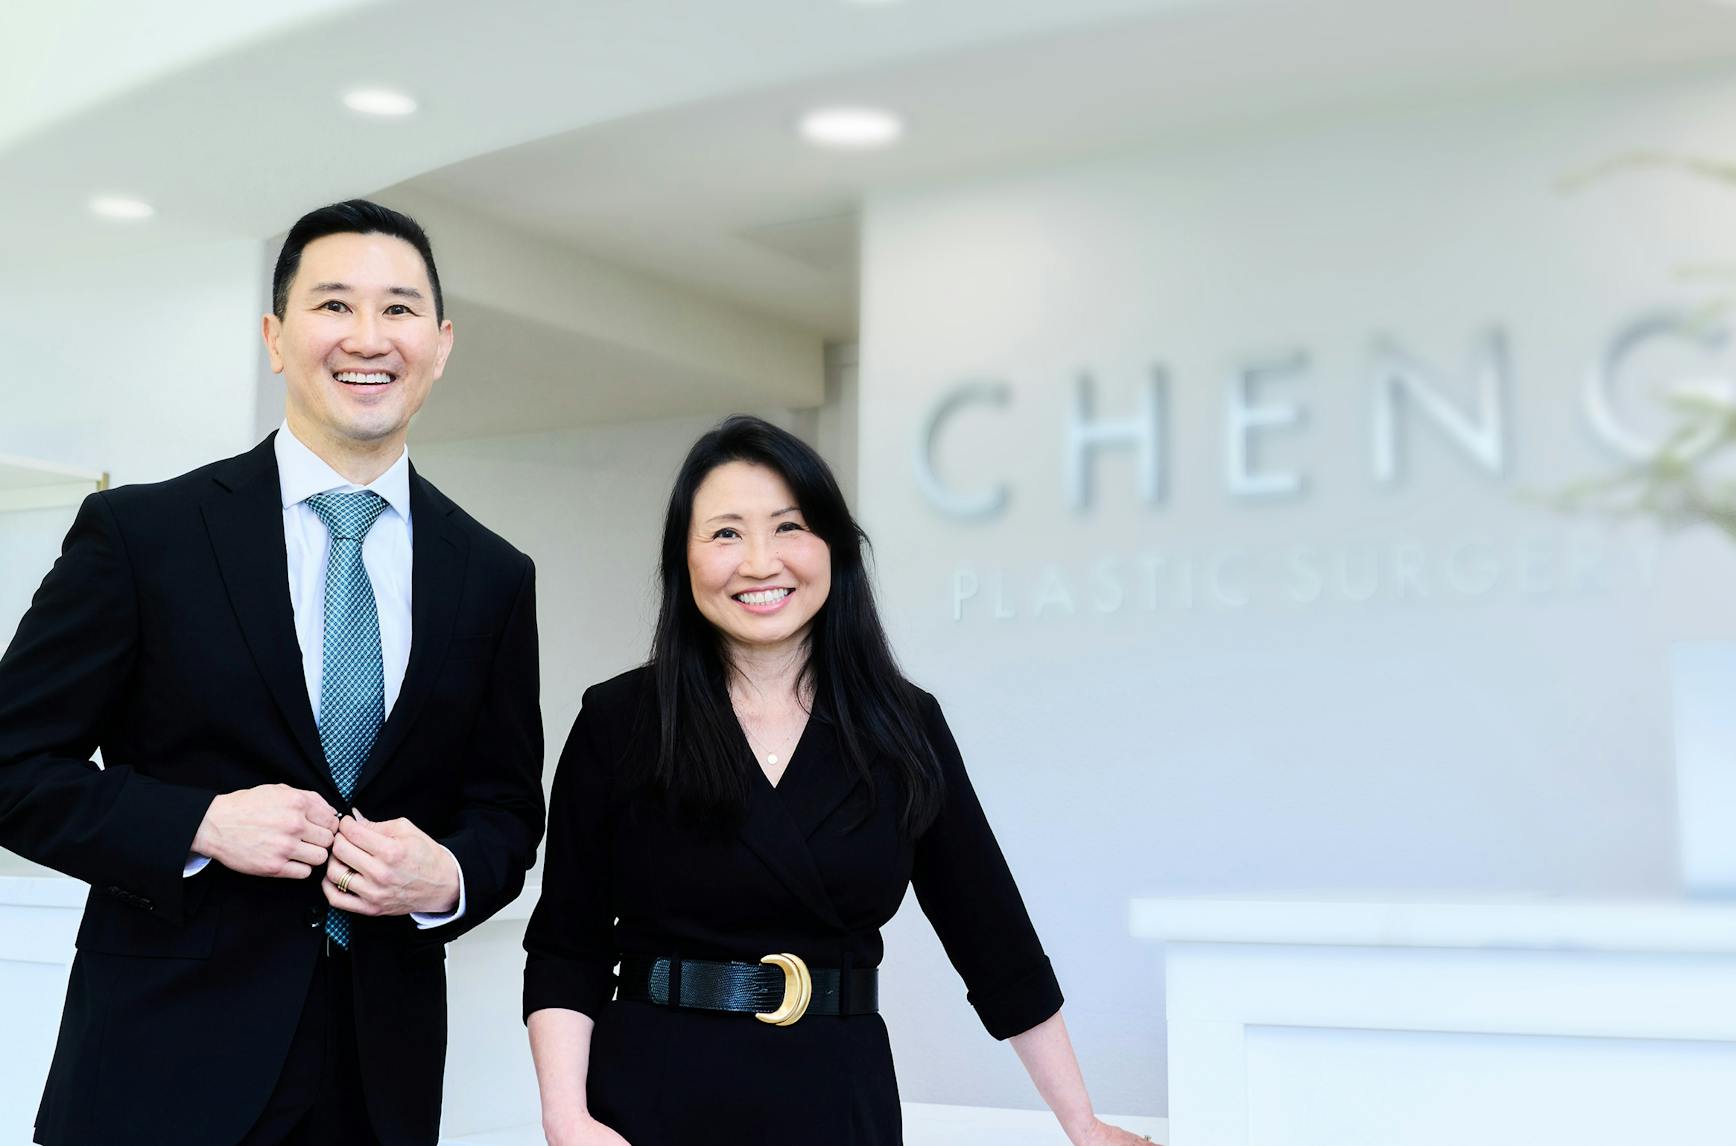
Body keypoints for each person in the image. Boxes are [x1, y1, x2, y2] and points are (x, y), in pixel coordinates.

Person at [0, 199, 546, 1146]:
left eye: (400, 309)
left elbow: (505, 810)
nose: (368, 337)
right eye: (333, 305)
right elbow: (12, 765)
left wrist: (447, 875)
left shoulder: (492, 574)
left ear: (441, 344)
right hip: (158, 1069)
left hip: (378, 1083)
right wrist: (200, 823)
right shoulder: (144, 536)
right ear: (276, 338)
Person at [523, 416, 1147, 1146]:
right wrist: (567, 1120)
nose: (760, 562)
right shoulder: (620, 719)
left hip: (837, 1100)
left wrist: (1083, 1124)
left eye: (788, 527)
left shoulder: (905, 726)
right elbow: (566, 945)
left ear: (834, 548)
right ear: (682, 559)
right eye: (725, 534)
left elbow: (994, 939)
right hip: (650, 1099)